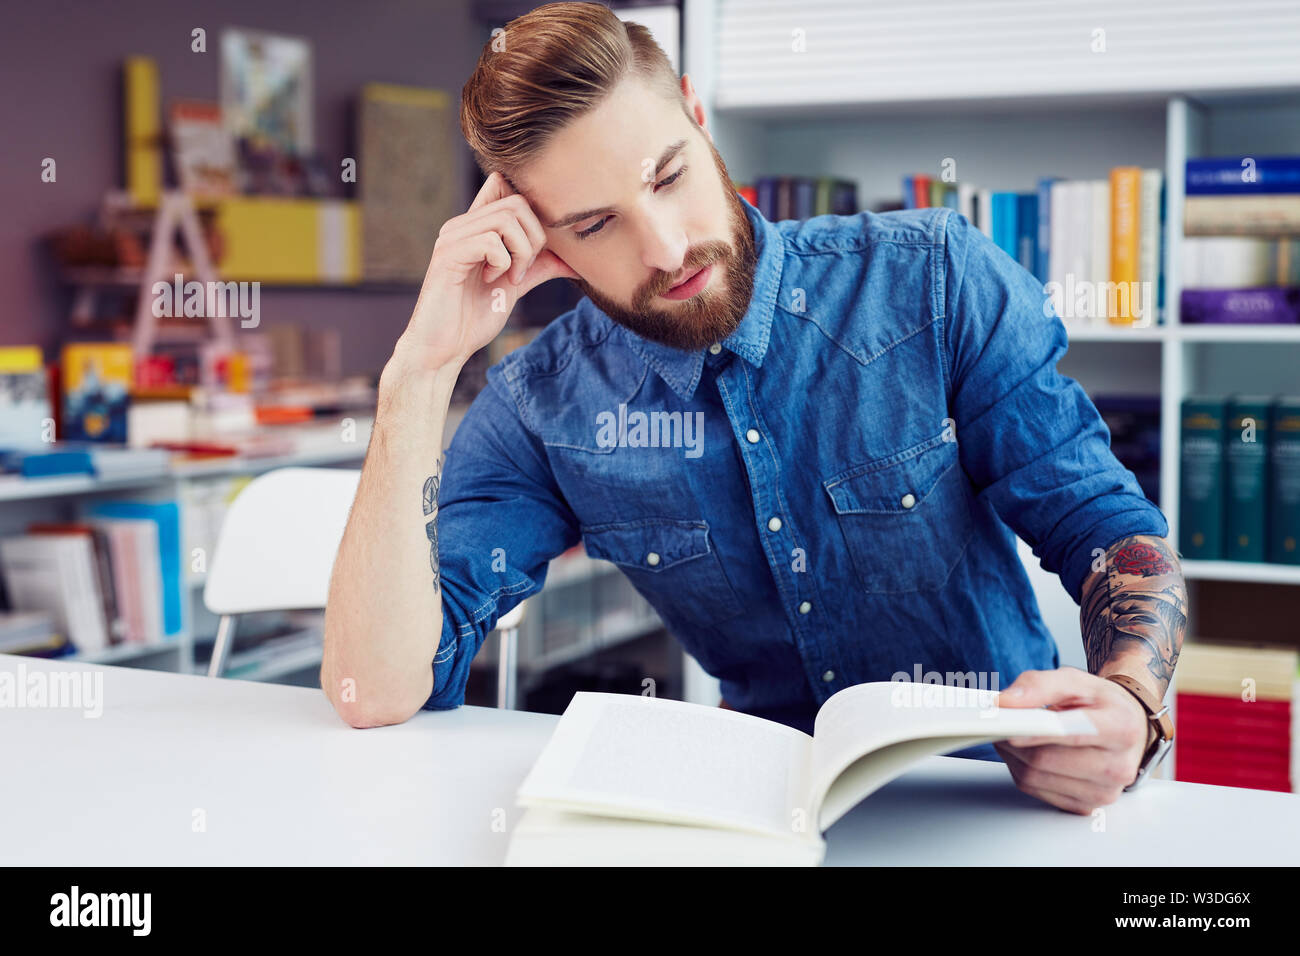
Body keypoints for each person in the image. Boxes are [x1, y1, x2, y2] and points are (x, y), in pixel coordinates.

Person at [322, 2, 1186, 815]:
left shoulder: (932, 278)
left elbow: (1107, 529)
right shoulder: (540, 403)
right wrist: (419, 373)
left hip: (997, 793)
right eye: (594, 225)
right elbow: (378, 691)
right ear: (537, 234)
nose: (665, 248)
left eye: (668, 176)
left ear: (697, 114)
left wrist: (1132, 703)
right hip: (754, 815)